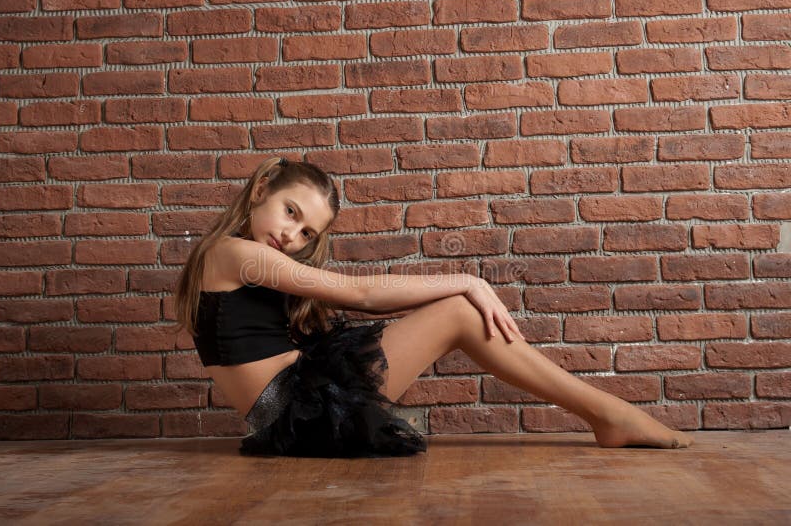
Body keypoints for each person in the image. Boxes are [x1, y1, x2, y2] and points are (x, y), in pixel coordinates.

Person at [173, 156, 694, 458]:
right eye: (290, 212)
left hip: (290, 410)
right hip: (298, 413)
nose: (291, 235)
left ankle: (606, 414)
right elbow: (363, 296)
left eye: (307, 230)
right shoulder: (235, 254)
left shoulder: (230, 256)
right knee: (461, 310)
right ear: (261, 188)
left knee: (459, 310)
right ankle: (609, 414)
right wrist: (468, 280)